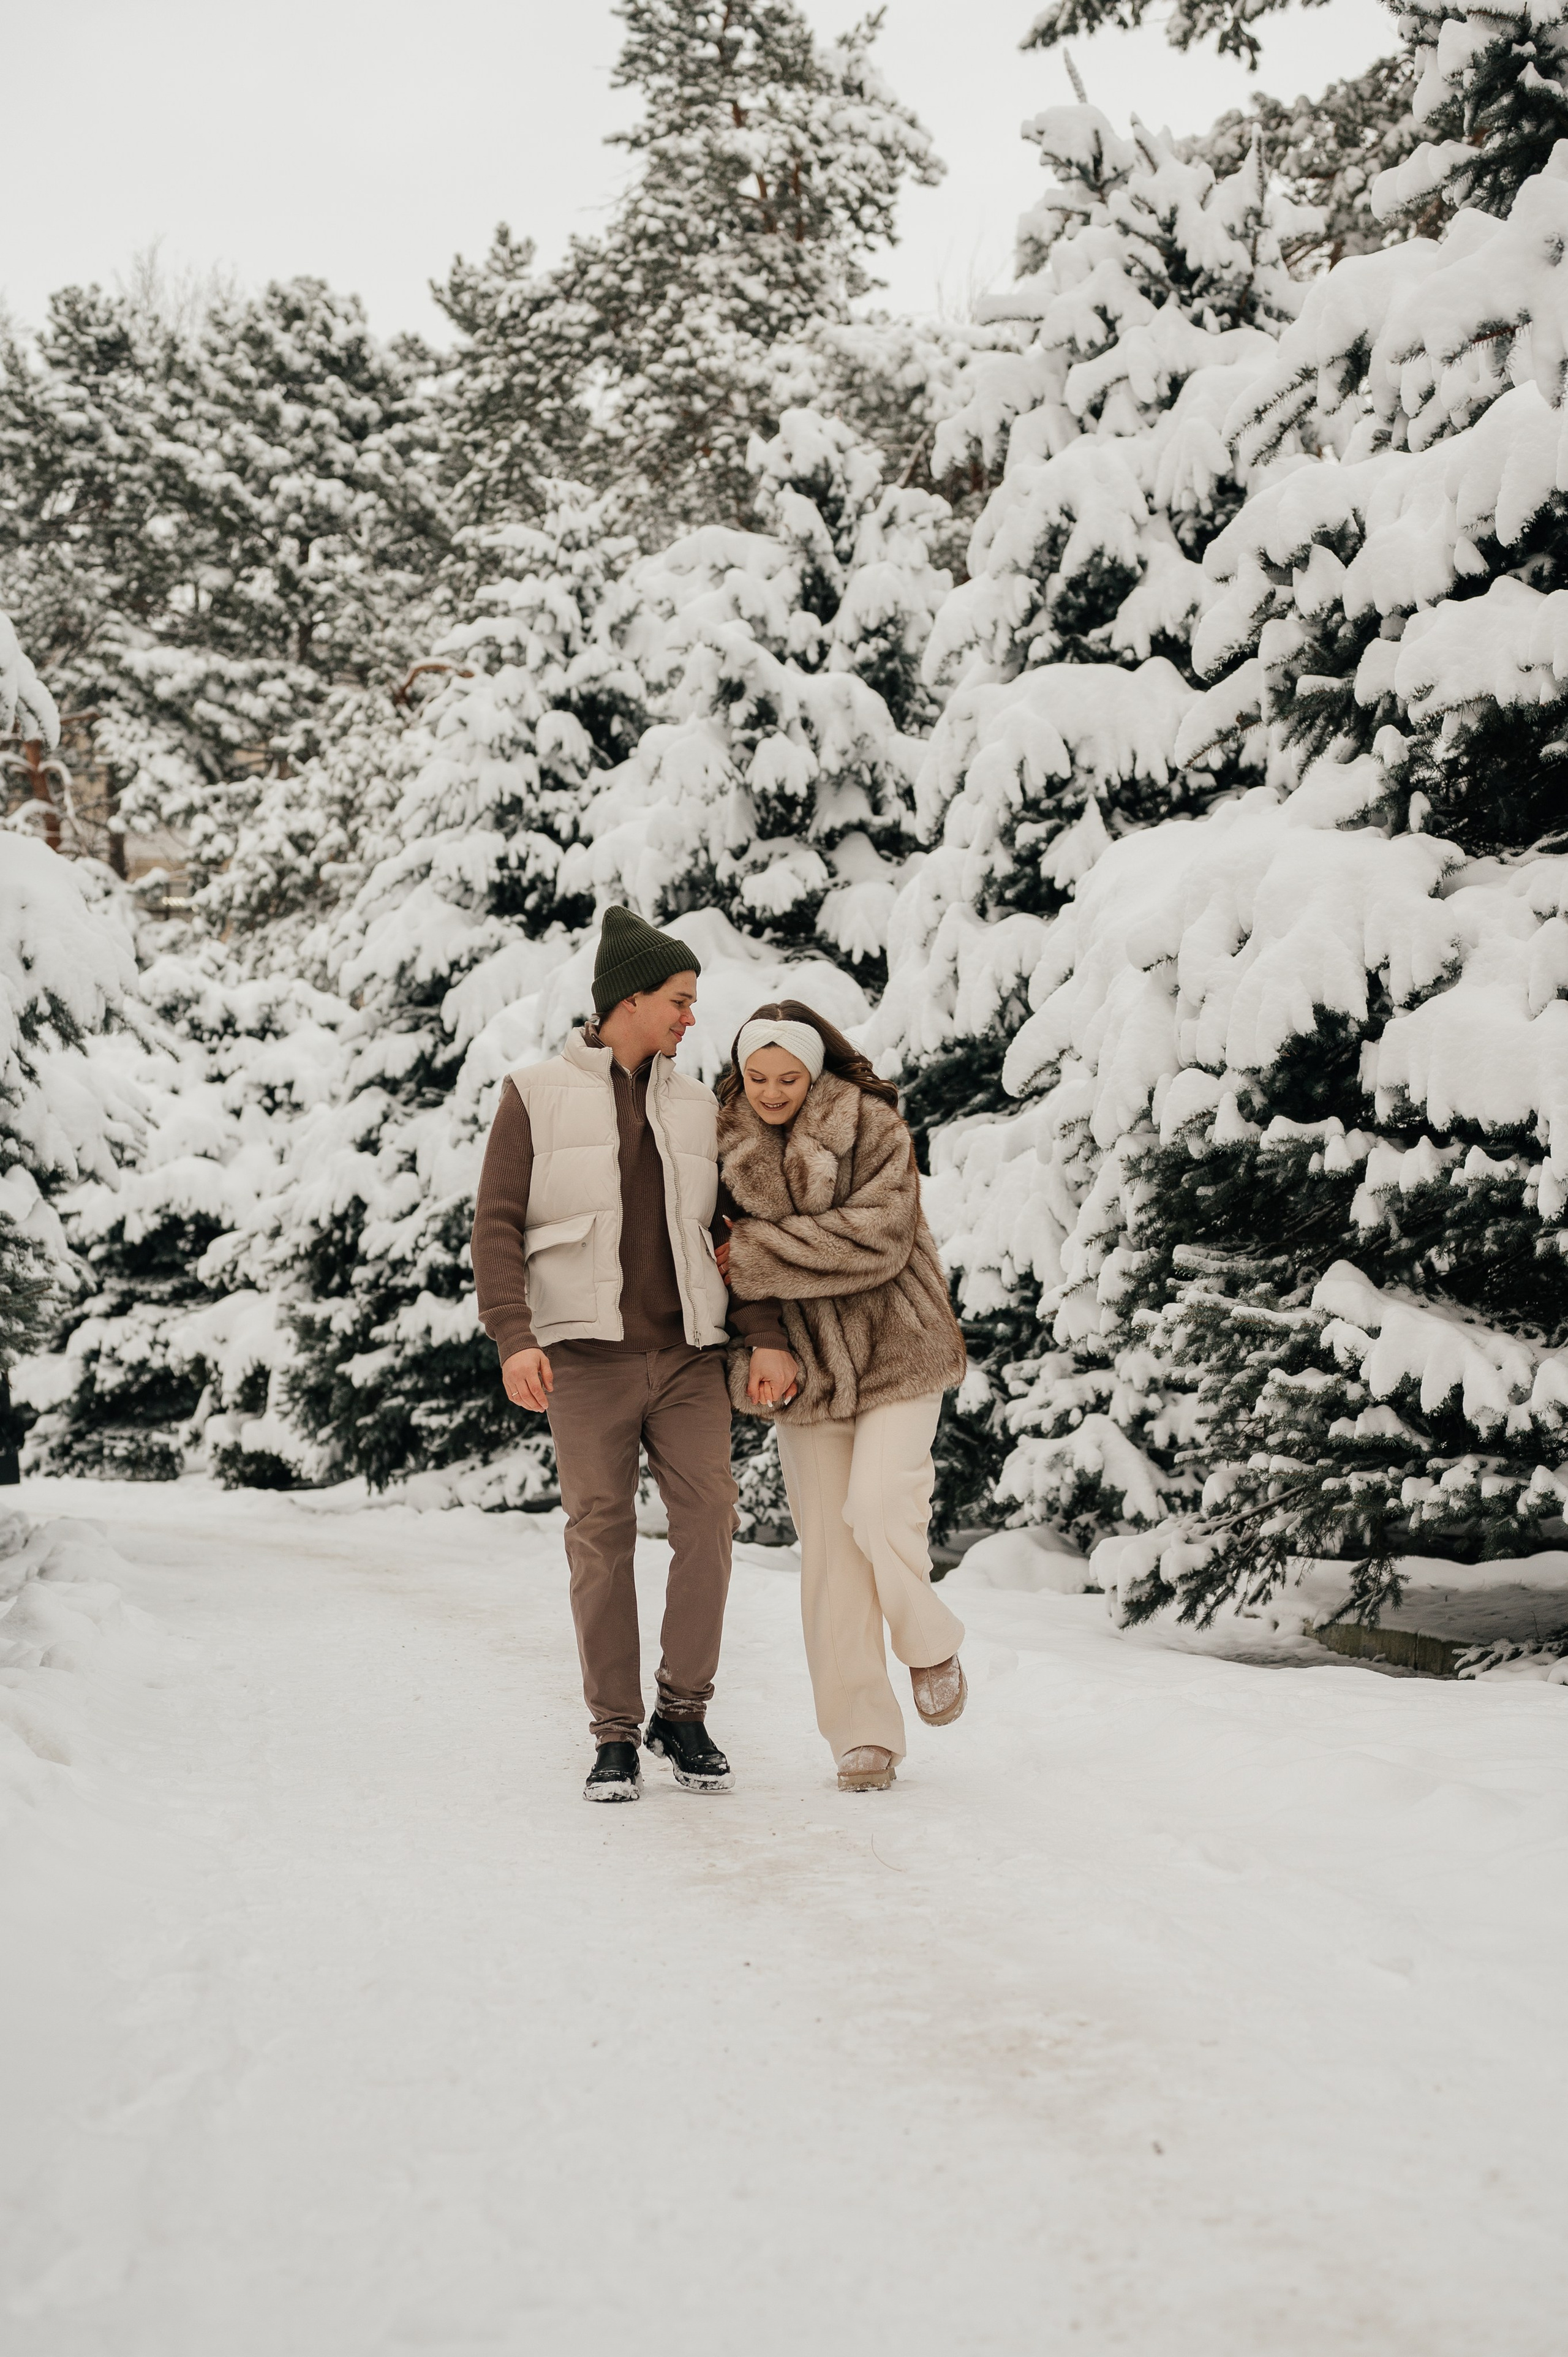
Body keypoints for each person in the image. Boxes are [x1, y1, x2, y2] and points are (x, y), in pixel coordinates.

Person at [472, 906, 798, 1804]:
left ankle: (682, 1714)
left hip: (689, 1359)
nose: (693, 1018)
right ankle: (614, 1732)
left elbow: (739, 1235)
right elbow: (495, 1226)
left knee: (709, 1526)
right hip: (583, 1360)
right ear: (629, 1000)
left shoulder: (702, 1108)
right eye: (680, 1000)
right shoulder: (532, 1093)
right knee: (601, 1540)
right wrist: (514, 1336)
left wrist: (765, 1334)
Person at [715, 1002, 969, 1792]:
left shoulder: (874, 1126)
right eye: (757, 1077)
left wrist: (755, 1251)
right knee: (829, 1553)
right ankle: (861, 1735)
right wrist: (763, 1333)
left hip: (900, 1348)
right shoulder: (716, 1140)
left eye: (788, 1077)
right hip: (807, 1369)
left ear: (816, 1068)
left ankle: (929, 1643)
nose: (772, 1092)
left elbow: (879, 1239)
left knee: (881, 1505)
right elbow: (702, 1246)